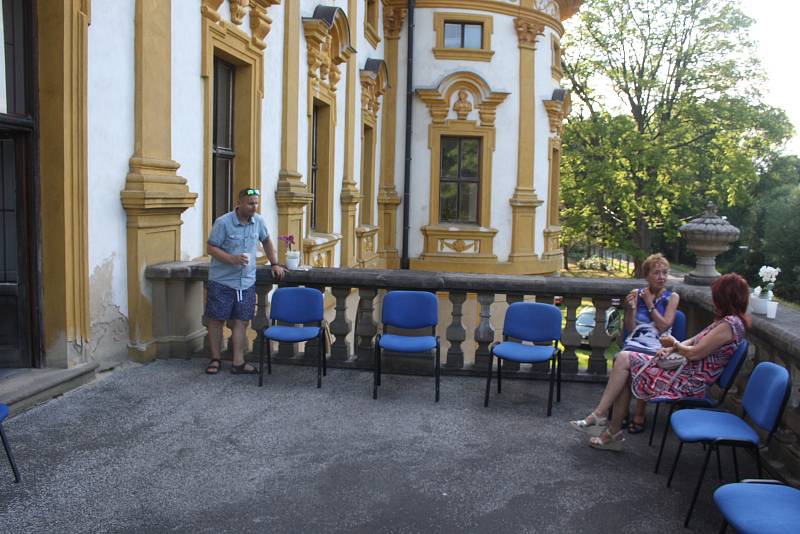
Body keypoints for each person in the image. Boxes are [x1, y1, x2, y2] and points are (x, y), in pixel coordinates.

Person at [570, 273, 750, 451]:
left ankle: (603, 420)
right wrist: (671, 348)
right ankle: (608, 429)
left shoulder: (729, 325)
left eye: (716, 296)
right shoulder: (727, 322)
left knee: (624, 360)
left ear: (724, 298)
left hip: (689, 381)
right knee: (624, 363)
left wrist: (673, 343)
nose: (713, 300)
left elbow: (694, 354)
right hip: (682, 371)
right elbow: (692, 341)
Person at [205, 187, 287, 375]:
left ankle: (238, 362)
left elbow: (266, 241)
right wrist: (231, 259)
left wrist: (275, 263)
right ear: (239, 203)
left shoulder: (258, 221)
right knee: (216, 320)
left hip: (247, 282)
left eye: (256, 203)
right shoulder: (223, 222)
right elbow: (210, 248)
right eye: (251, 203)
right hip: (222, 281)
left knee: (242, 322)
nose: (254, 207)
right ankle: (215, 359)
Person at [620, 253, 680, 433]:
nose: (662, 277)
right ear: (647, 275)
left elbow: (664, 326)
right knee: (626, 362)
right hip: (636, 340)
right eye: (656, 273)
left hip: (658, 343)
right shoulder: (635, 294)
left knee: (642, 364)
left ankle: (639, 414)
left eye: (664, 272)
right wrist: (630, 310)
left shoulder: (672, 297)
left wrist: (649, 303)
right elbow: (630, 329)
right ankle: (621, 412)